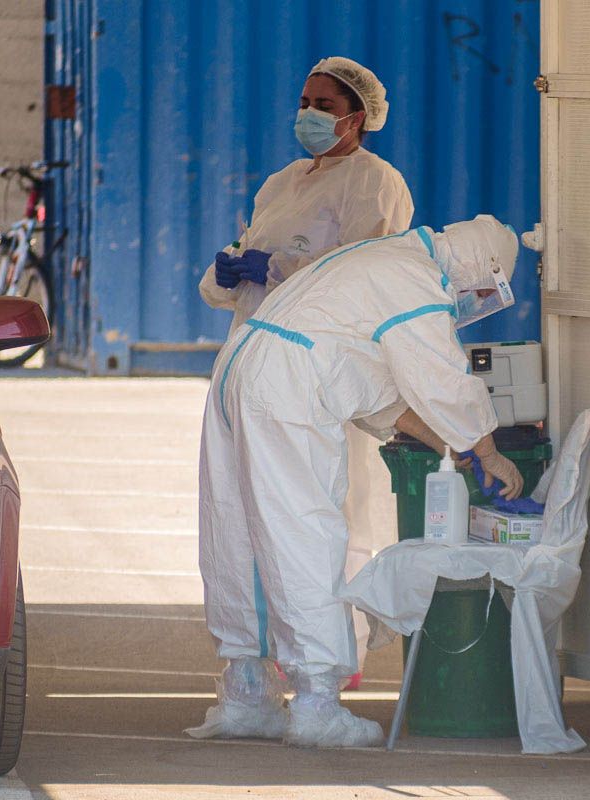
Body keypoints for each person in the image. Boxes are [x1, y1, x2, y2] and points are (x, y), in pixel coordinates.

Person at [187, 215, 525, 747]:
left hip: (241, 369)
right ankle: (317, 703)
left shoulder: (383, 259)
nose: (478, 303)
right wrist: (485, 448)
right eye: (487, 289)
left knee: (237, 534)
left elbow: (378, 387)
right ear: (479, 268)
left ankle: (246, 695)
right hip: (287, 388)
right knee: (304, 534)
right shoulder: (419, 283)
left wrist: (445, 443)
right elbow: (442, 379)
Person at [198, 56, 413, 686]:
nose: (310, 115)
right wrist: (231, 270)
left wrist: (279, 270)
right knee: (242, 510)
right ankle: (256, 662)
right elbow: (232, 271)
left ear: (358, 116)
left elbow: (360, 275)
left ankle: (330, 662)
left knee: (327, 510)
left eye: (325, 105)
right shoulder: (282, 182)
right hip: (252, 363)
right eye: (305, 102)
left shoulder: (374, 181)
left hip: (321, 369)